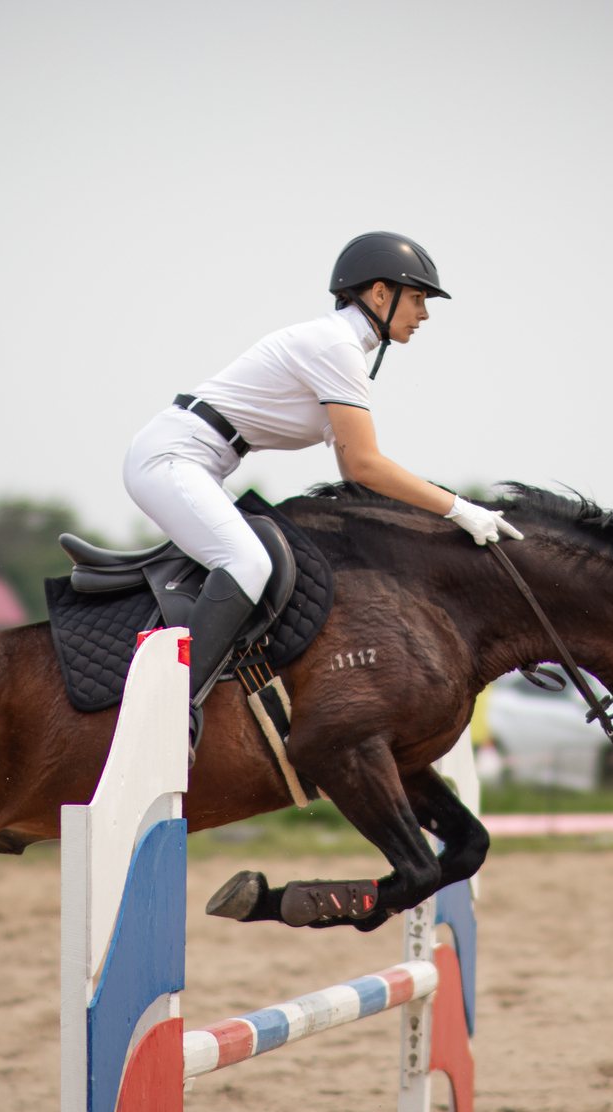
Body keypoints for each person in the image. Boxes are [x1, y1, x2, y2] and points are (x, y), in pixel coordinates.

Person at [122, 231, 522, 743]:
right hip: (171, 457)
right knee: (248, 564)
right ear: (380, 293)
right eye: (418, 298)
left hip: (198, 461)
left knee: (262, 562)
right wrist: (459, 510)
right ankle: (169, 713)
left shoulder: (342, 347)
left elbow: (357, 474)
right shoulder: (337, 346)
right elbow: (365, 469)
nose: (424, 314)